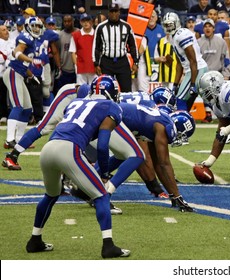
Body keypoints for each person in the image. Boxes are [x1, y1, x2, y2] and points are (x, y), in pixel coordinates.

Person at [25, 79, 131, 259]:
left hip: (49, 148)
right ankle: (108, 246)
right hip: (69, 150)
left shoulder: (76, 102)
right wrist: (104, 174)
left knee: (51, 195)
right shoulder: (111, 107)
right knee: (102, 195)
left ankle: (35, 239)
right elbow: (103, 146)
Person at [117, 102, 195, 212]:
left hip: (118, 118)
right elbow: (164, 164)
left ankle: (101, 188)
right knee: (134, 157)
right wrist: (178, 196)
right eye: (182, 135)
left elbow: (157, 163)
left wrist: (172, 194)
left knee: (131, 156)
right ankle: (105, 191)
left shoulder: (160, 122)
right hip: (114, 117)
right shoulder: (163, 127)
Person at [3, 16, 44, 149]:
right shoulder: (26, 37)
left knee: (27, 109)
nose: (36, 29)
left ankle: (20, 139)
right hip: (13, 73)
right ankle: (10, 139)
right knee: (18, 106)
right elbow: (16, 53)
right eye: (34, 26)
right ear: (27, 26)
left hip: (20, 74)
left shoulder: (33, 41)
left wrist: (31, 76)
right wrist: (33, 61)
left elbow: (23, 64)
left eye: (38, 26)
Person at [161, 12, 208, 111]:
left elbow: (193, 60)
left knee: (180, 99)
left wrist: (192, 83)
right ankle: (186, 121)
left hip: (197, 69)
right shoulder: (172, 37)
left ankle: (181, 122)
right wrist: (175, 84)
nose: (168, 27)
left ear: (176, 23)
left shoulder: (182, 35)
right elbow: (179, 64)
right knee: (189, 100)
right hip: (192, 70)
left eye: (170, 24)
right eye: (166, 25)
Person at [93, 3, 139, 93]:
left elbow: (133, 45)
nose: (114, 14)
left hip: (122, 61)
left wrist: (135, 62)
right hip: (106, 62)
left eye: (115, 11)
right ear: (108, 13)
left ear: (119, 12)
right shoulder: (101, 27)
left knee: (126, 90)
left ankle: (125, 107)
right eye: (111, 11)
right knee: (105, 89)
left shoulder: (127, 26)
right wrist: (96, 64)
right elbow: (96, 46)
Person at [55, 15, 78, 93]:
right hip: (64, 69)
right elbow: (56, 52)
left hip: (77, 69)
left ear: (73, 21)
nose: (67, 23)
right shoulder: (60, 35)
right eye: (65, 21)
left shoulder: (79, 33)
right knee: (64, 92)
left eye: (69, 21)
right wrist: (59, 66)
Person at [69, 13, 95, 85]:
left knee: (94, 91)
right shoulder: (76, 35)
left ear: (91, 22)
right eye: (83, 21)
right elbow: (73, 52)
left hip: (94, 68)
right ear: (80, 22)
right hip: (81, 68)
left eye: (87, 20)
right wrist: (77, 65)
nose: (86, 23)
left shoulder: (96, 34)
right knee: (81, 90)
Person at [0, 25, 15, 125]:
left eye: (7, 29)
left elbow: (12, 57)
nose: (7, 32)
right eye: (4, 30)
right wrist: (6, 56)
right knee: (1, 95)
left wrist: (5, 56)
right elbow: (2, 58)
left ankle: (12, 115)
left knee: (13, 95)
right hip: (0, 73)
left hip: (11, 72)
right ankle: (2, 115)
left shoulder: (13, 41)